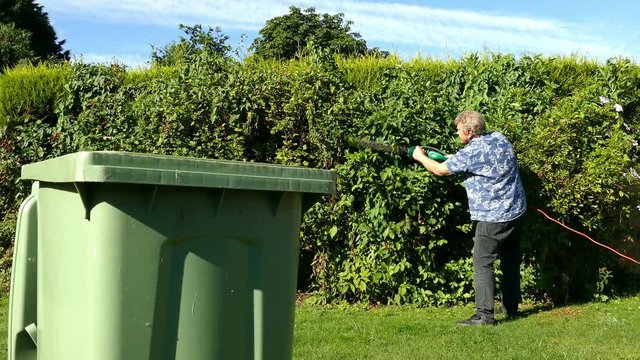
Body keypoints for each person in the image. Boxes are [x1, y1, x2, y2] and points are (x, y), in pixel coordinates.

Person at [412, 110, 527, 326]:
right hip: (516, 212)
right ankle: (511, 307)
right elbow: (476, 160)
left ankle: (484, 315)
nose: (457, 134)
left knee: (483, 263)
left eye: (458, 131)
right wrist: (452, 158)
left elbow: (439, 171)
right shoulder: (499, 138)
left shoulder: (472, 152)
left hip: (493, 218)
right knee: (510, 260)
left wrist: (420, 157)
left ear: (469, 132)